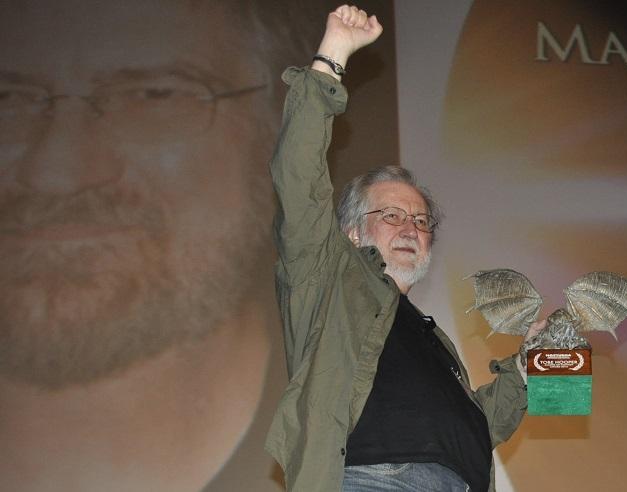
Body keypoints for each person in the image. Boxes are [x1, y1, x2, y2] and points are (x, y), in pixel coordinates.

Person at [0, 1, 388, 490]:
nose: (56, 172)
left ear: (270, 126)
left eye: (154, 95)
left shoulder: (358, 407)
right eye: (9, 98)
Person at [265, 6, 542, 491]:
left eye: (420, 220)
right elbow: (298, 174)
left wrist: (527, 365)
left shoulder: (431, 337)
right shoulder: (325, 278)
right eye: (391, 215)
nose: (411, 228)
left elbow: (475, 428)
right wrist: (333, 55)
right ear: (353, 232)